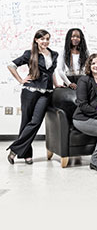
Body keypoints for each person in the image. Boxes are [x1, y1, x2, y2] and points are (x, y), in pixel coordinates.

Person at [7, 29, 58, 165]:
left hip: (46, 93)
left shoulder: (54, 54)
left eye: (47, 38)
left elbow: (51, 72)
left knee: (35, 122)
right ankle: (26, 154)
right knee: (26, 123)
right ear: (36, 40)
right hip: (30, 92)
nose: (45, 41)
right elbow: (11, 65)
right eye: (42, 39)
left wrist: (57, 84)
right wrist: (20, 80)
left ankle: (14, 150)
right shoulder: (30, 54)